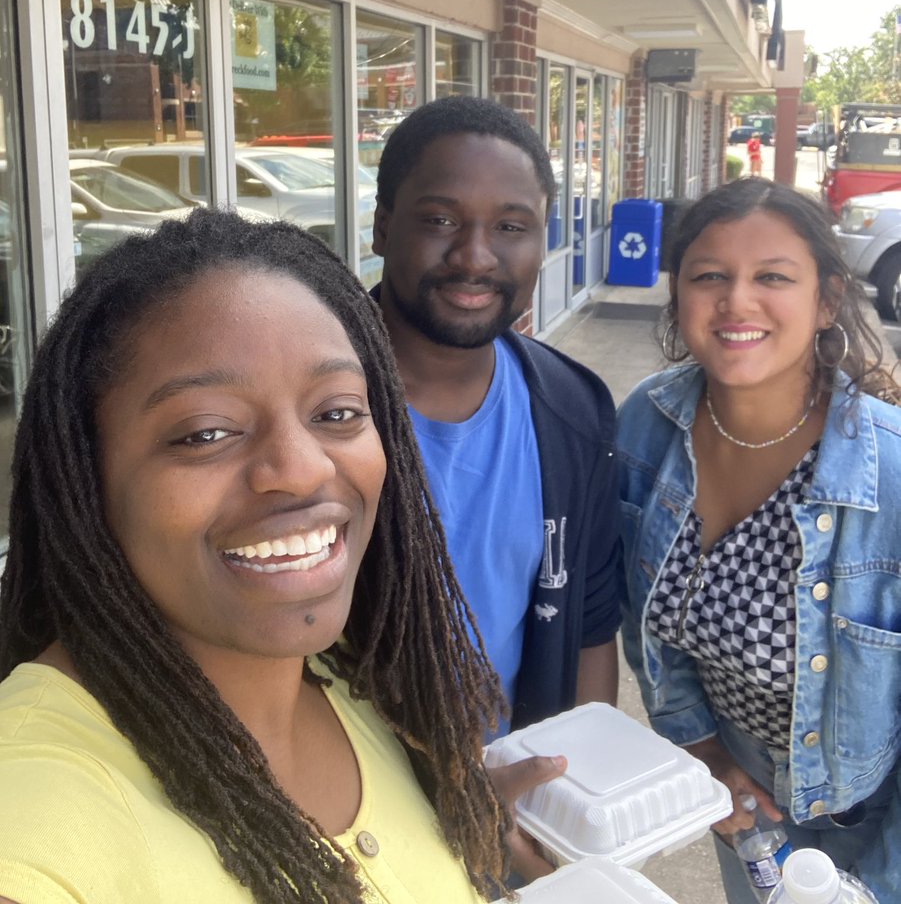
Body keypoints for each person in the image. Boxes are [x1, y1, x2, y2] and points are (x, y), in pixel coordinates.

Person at [0, 208, 544, 904]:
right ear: (84, 480)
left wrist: (457, 832)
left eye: (337, 412)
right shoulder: (37, 812)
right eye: (205, 433)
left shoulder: (355, 690)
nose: (300, 468)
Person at [617, 177, 901, 903]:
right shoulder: (647, 427)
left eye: (771, 277)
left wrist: (879, 884)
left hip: (873, 817)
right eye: (708, 276)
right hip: (743, 803)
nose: (736, 301)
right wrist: (700, 751)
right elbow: (642, 616)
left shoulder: (889, 473)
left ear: (827, 299)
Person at [372, 97, 620, 734]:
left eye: (511, 227)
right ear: (382, 227)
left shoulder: (572, 410)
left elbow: (590, 631)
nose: (475, 256)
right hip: (347, 814)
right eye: (440, 219)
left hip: (511, 806)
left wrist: (571, 790)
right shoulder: (299, 405)